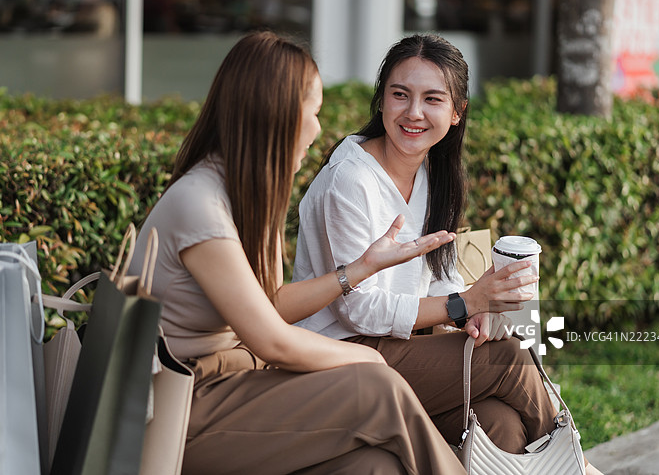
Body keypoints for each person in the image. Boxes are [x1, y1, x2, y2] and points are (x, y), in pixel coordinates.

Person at [128, 31, 468, 474]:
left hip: (233, 381)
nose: (320, 128)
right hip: (180, 406)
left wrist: (360, 268)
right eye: (313, 112)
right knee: (377, 385)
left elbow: (274, 303)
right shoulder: (200, 205)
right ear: (275, 113)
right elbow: (271, 338)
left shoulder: (247, 194)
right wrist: (368, 356)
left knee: (374, 465)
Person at [292, 34, 603, 474]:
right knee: (508, 358)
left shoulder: (433, 173)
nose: (413, 112)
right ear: (381, 101)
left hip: (400, 351)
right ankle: (582, 467)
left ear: (456, 113)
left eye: (432, 99)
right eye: (400, 95)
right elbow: (356, 312)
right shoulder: (351, 179)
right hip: (344, 357)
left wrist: (466, 313)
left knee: (501, 422)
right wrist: (463, 303)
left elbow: (438, 273)